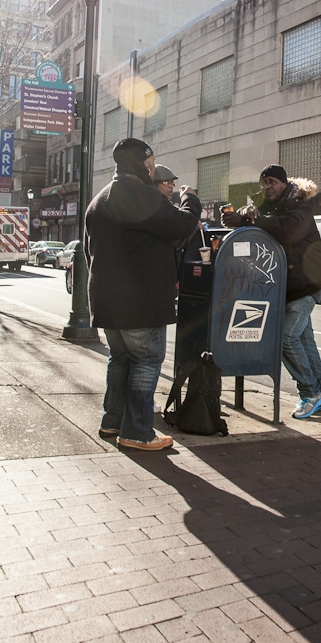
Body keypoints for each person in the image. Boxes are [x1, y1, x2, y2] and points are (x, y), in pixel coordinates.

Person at [85, 138, 201, 450]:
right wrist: (189, 199)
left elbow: (88, 253)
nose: (154, 167)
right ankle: (137, 432)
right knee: (146, 360)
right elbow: (180, 224)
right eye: (151, 161)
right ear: (143, 162)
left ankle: (112, 422)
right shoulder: (140, 194)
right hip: (139, 301)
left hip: (108, 302)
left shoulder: (100, 198)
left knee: (120, 359)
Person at [221, 164, 321, 420]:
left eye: (272, 181)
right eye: (263, 182)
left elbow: (287, 229)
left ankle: (310, 393)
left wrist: (251, 220)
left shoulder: (301, 203)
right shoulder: (269, 206)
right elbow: (254, 217)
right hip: (286, 285)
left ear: (284, 183)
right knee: (305, 341)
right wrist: (239, 216)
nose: (267, 187)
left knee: (286, 338)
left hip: (306, 283)